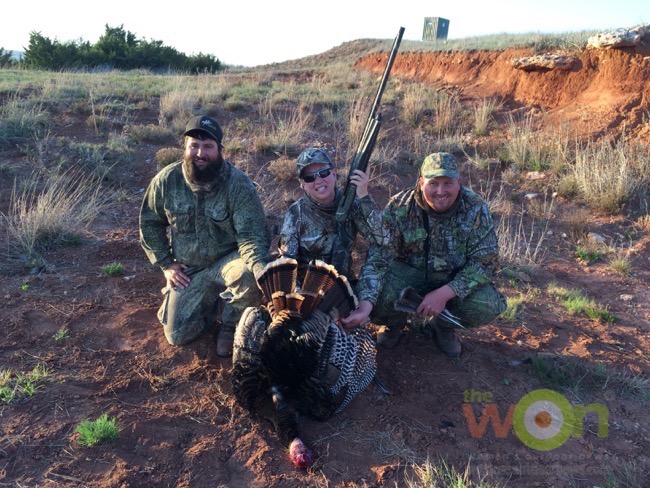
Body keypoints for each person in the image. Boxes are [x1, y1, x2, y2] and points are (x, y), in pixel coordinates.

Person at [342, 152, 507, 357]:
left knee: (487, 305)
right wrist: (366, 304)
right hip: (407, 275)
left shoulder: (475, 208)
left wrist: (444, 293)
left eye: (447, 183)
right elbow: (378, 258)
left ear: (459, 182)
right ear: (421, 182)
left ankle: (443, 326)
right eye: (433, 183)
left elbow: (486, 262)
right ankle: (394, 323)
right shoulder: (399, 206)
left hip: (451, 278)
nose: (440, 191)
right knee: (371, 298)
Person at [139, 115, 271, 357]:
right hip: (190, 269)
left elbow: (252, 237)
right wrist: (166, 264)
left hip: (229, 261)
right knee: (177, 335)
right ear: (185, 148)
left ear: (220, 150)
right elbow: (149, 223)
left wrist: (261, 270)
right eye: (194, 146)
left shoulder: (238, 185)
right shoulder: (167, 181)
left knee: (248, 273)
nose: (200, 153)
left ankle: (231, 325)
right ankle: (209, 303)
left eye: (208, 146)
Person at [278, 147, 386, 282]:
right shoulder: (295, 214)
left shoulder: (351, 205)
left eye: (323, 173)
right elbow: (286, 264)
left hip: (342, 288)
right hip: (305, 292)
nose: (318, 181)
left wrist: (364, 195)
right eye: (309, 177)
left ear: (334, 174)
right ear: (302, 185)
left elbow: (382, 240)